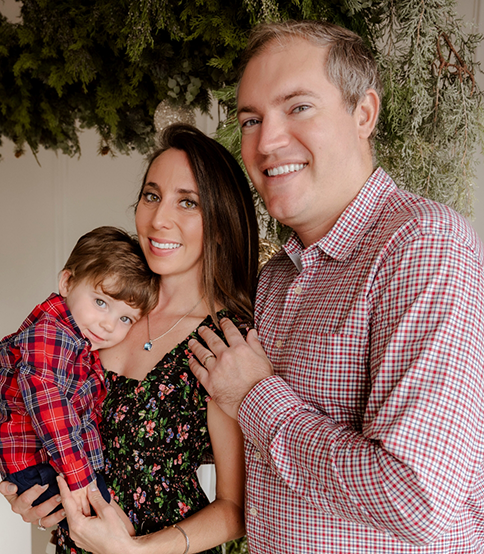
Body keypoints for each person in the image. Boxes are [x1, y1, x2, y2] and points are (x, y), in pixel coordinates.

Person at [188, 19, 484, 554]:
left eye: (298, 107)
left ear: (364, 113)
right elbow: (260, 453)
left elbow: (416, 499)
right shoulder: (277, 277)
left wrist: (256, 396)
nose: (267, 141)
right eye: (251, 119)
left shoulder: (423, 245)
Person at [0, 123, 260, 554]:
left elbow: (235, 508)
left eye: (188, 202)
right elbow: (33, 405)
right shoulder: (101, 310)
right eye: (152, 195)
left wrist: (137, 551)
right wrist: (29, 495)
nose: (159, 219)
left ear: (219, 224)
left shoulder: (223, 340)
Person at [0, 226, 158, 533]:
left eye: (125, 319)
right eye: (100, 302)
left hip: (55, 467)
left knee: (116, 533)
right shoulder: (50, 337)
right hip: (46, 468)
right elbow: (50, 408)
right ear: (67, 282)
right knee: (119, 532)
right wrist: (81, 478)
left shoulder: (78, 343)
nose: (108, 325)